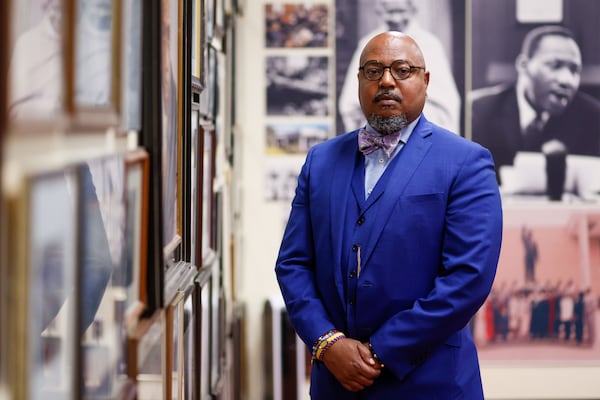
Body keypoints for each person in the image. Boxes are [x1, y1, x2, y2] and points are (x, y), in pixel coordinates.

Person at [275, 31, 503, 399]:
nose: (386, 81)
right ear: (360, 81)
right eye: (373, 70)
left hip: (431, 382)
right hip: (336, 383)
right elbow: (293, 263)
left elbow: (467, 278)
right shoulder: (320, 161)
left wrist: (380, 352)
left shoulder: (466, 162)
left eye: (402, 69)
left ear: (425, 81)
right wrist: (327, 342)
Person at [470, 25, 600, 191]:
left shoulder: (592, 118)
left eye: (574, 70)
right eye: (555, 65)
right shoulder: (478, 112)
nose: (567, 80)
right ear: (523, 65)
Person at [338, 0, 461, 133]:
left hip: (420, 127)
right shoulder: (368, 43)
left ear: (412, 11)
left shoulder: (429, 44)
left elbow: (445, 99)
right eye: (391, 12)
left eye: (401, 11)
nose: (396, 18)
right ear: (380, 12)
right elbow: (351, 98)